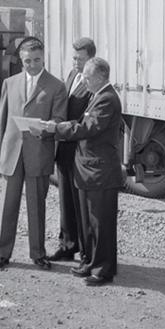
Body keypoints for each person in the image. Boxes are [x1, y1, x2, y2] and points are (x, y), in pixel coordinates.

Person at [42, 57, 123, 287]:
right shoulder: (98, 96)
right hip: (88, 170)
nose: (84, 82)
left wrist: (58, 128)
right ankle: (90, 262)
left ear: (100, 77)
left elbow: (88, 127)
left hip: (100, 172)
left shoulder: (106, 99)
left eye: (87, 78)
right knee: (88, 222)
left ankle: (103, 270)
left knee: (101, 224)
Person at [0, 37, 67, 271]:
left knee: (37, 207)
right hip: (12, 154)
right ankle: (3, 253)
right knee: (8, 206)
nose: (32, 65)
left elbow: (60, 120)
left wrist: (45, 127)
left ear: (43, 58)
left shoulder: (56, 86)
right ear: (21, 60)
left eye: (36, 60)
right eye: (27, 61)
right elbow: (1, 120)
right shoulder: (10, 83)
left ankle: (38, 254)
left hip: (39, 153)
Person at [48, 37, 96, 264]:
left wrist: (62, 129)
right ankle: (67, 246)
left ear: (91, 59)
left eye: (81, 58)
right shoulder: (71, 76)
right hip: (64, 149)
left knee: (82, 203)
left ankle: (87, 251)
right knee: (66, 200)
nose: (76, 62)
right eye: (74, 58)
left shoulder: (92, 85)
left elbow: (86, 121)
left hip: (79, 150)